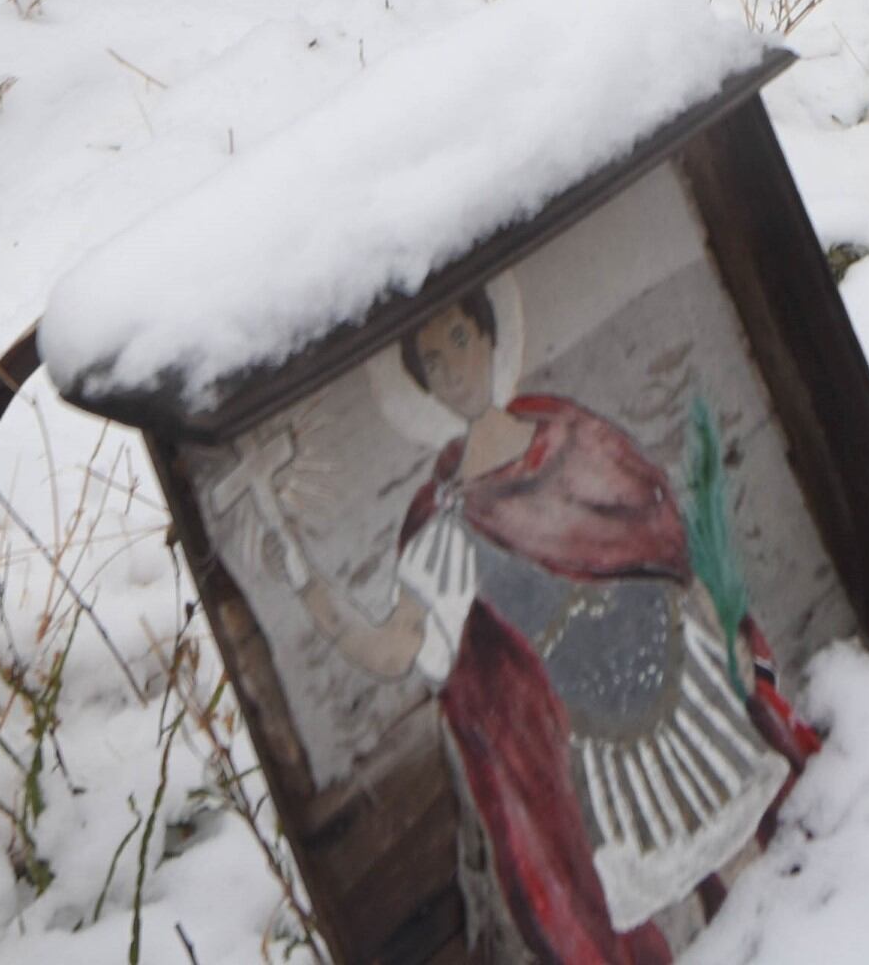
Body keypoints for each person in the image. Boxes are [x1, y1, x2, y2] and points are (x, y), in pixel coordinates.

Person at [255, 291, 813, 963]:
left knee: (757, 869)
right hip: (604, 732)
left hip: (684, 679)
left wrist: (729, 640)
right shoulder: (444, 526)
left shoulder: (576, 437)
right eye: (433, 362)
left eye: (459, 341)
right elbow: (393, 649)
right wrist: (301, 577)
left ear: (490, 340)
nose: (453, 369)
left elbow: (660, 536)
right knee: (676, 909)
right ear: (425, 386)